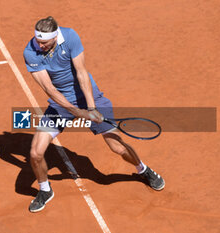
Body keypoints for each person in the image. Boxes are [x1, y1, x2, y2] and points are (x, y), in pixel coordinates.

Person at [23, 16, 165, 213]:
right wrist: (78, 113)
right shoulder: (31, 52)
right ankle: (45, 190)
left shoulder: (70, 36)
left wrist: (91, 108)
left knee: (117, 146)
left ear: (55, 37)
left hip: (89, 96)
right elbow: (50, 90)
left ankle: (143, 169)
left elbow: (81, 73)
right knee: (35, 152)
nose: (40, 45)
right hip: (60, 104)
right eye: (38, 41)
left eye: (44, 42)